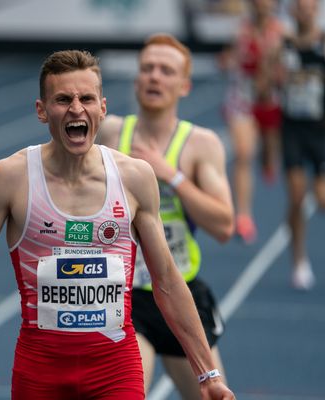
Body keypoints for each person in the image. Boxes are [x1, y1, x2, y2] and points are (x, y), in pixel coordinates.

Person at [0, 49, 236, 400]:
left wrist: (208, 372)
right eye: (63, 99)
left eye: (86, 98)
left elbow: (168, 282)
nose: (76, 109)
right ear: (41, 110)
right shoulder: (11, 177)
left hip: (115, 367)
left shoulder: (134, 177)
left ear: (103, 108)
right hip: (40, 370)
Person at [98, 34, 235, 399]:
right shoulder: (111, 133)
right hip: (124, 296)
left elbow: (224, 225)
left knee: (211, 394)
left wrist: (169, 174)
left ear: (184, 85)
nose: (155, 77)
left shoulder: (200, 144)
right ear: (137, 79)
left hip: (179, 293)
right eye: (147, 69)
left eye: (166, 70)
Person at [280, 0, 325, 290]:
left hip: (321, 130)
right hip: (292, 131)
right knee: (297, 196)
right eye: (300, 6)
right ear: (292, 11)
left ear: (317, 11)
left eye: (310, 6)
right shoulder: (283, 45)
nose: (305, 11)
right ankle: (299, 259)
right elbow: (265, 88)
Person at [221, 0, 285, 244]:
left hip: (270, 101)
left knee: (268, 158)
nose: (262, 5)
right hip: (242, 101)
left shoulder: (280, 33)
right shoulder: (240, 31)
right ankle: (243, 216)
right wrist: (230, 60)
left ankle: (268, 159)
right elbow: (228, 59)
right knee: (244, 153)